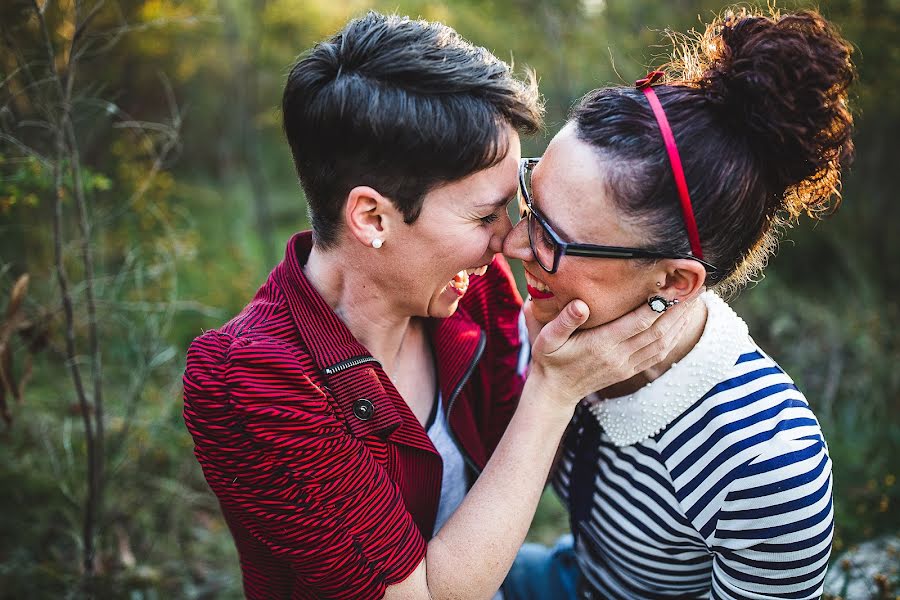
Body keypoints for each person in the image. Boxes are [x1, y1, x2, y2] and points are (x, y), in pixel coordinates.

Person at [182, 12, 695, 600]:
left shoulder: (472, 291)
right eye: (484, 216)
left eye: (511, 205)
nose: (509, 239)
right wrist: (552, 392)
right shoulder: (253, 380)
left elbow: (522, 465)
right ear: (373, 217)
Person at [500, 8, 853, 600]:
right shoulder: (558, 317)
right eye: (528, 201)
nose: (513, 244)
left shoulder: (762, 466)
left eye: (553, 238)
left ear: (675, 282)